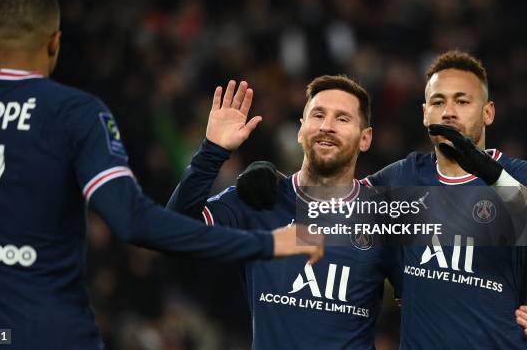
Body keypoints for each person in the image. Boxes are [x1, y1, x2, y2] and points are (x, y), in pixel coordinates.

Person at [0, 0, 322, 350]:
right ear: (54, 42)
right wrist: (266, 242)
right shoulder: (74, 113)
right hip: (47, 334)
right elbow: (135, 221)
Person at [236, 51, 527, 348]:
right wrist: (272, 180)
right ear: (425, 114)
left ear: (488, 112)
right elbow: (336, 198)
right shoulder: (403, 178)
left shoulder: (520, 175)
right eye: (438, 102)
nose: (449, 111)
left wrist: (491, 175)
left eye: (462, 101)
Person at [168, 75, 401, 349]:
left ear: (365, 138)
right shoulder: (259, 198)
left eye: (342, 118)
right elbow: (174, 231)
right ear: (301, 131)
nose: (327, 126)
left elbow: (431, 302)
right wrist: (212, 152)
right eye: (318, 114)